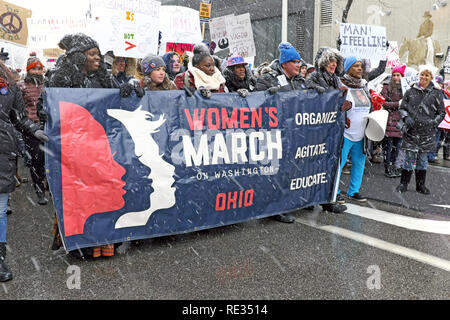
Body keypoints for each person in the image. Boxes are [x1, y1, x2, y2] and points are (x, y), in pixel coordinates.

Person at [37, 33, 144, 258]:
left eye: (98, 53)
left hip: (98, 146)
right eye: (92, 54)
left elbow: (120, 101)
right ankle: (81, 245)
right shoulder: (58, 78)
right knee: (78, 195)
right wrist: (45, 112)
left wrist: (130, 86)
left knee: (102, 193)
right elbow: (44, 107)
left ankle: (104, 243)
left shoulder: (102, 77)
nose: (97, 58)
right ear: (79, 56)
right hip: (72, 147)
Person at [0, 60, 48, 282]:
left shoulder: (9, 85)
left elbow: (18, 118)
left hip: (2, 154)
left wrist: (35, 130)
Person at [255, 42, 306, 223]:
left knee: (289, 169)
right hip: (274, 133)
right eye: (295, 62)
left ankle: (286, 202)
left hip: (293, 133)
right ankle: (273, 208)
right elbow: (256, 103)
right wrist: (268, 96)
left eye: (299, 62)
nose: (299, 65)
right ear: (285, 64)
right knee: (275, 171)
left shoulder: (300, 81)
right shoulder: (268, 79)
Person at [306, 47, 350, 213]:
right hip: (318, 126)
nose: (333, 64)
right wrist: (322, 94)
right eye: (331, 61)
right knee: (314, 164)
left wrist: (347, 104)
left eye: (336, 62)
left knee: (329, 163)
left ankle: (327, 198)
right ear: (324, 62)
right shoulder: (315, 76)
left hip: (332, 126)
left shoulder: (336, 79)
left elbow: (341, 99)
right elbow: (308, 93)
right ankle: (310, 198)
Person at [395, 65, 445, 194]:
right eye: (422, 74)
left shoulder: (436, 93)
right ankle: (403, 184)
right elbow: (402, 108)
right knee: (408, 159)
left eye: (426, 75)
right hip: (411, 131)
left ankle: (420, 186)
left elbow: (441, 112)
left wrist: (433, 123)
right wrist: (406, 117)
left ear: (431, 77)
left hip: (427, 133)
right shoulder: (411, 91)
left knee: (423, 160)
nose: (423, 77)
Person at [337, 56, 373, 202]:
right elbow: (334, 107)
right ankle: (336, 191)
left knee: (359, 163)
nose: (359, 69)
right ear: (348, 68)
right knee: (339, 164)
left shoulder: (364, 85)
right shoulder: (341, 84)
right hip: (345, 134)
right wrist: (341, 112)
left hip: (362, 134)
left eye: (360, 66)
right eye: (355, 66)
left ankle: (354, 191)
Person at [18, 53, 49, 205]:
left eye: (39, 68)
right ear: (28, 70)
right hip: (30, 128)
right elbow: (18, 110)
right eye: (34, 69)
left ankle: (46, 184)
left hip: (47, 126)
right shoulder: (21, 86)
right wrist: (29, 125)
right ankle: (39, 191)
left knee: (48, 159)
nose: (37, 71)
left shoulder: (47, 85)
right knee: (36, 161)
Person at [380, 64, 405, 178]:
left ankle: (394, 166)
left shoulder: (406, 88)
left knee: (397, 147)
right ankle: (387, 167)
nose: (396, 77)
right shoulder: (387, 87)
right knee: (388, 147)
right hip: (389, 121)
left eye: (398, 75)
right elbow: (382, 102)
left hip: (400, 122)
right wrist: (397, 104)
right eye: (394, 75)